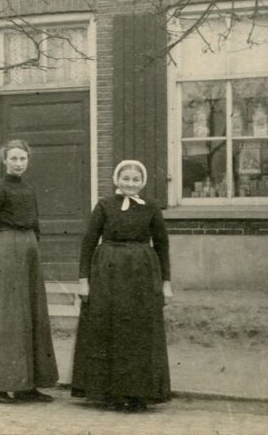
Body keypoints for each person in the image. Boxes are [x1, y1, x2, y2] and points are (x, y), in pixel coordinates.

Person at [71, 159, 172, 412]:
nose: (130, 183)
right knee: (109, 329)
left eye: (135, 180)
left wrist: (166, 283)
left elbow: (161, 245)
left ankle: (138, 393)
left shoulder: (151, 208)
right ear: (117, 180)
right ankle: (110, 393)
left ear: (142, 183)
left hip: (141, 275)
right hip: (108, 275)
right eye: (125, 178)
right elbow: (88, 243)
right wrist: (84, 281)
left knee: (138, 333)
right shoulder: (104, 206)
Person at [0, 139, 59, 404]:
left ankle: (27, 385)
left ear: (28, 161)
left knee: (32, 316)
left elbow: (36, 224)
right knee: (7, 318)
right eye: (14, 159)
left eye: (23, 159)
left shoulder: (29, 190)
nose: (19, 163)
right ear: (4, 161)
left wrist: (32, 247)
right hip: (6, 251)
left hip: (29, 252)